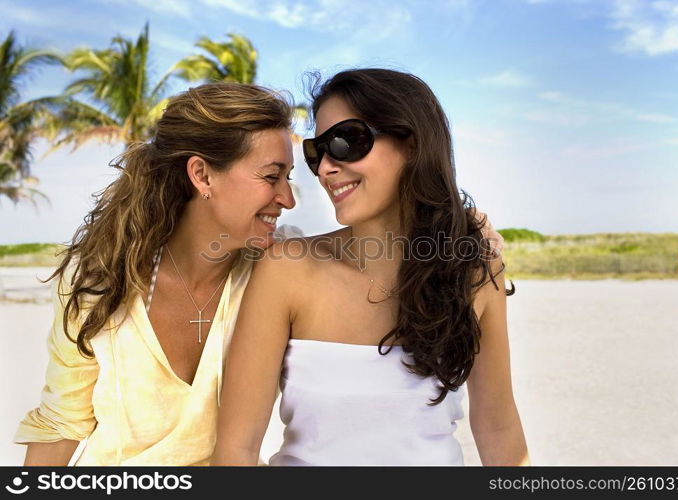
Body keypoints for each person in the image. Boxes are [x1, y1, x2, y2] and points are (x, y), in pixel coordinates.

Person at [212, 69, 529, 466]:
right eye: (317, 152)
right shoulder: (286, 271)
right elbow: (236, 451)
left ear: (411, 144)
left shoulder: (475, 270)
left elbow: (498, 427)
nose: (326, 167)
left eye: (345, 142)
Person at [14, 82, 297, 465]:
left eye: (288, 177)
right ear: (202, 175)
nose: (288, 199)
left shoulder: (278, 271)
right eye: (271, 176)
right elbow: (61, 422)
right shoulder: (98, 279)